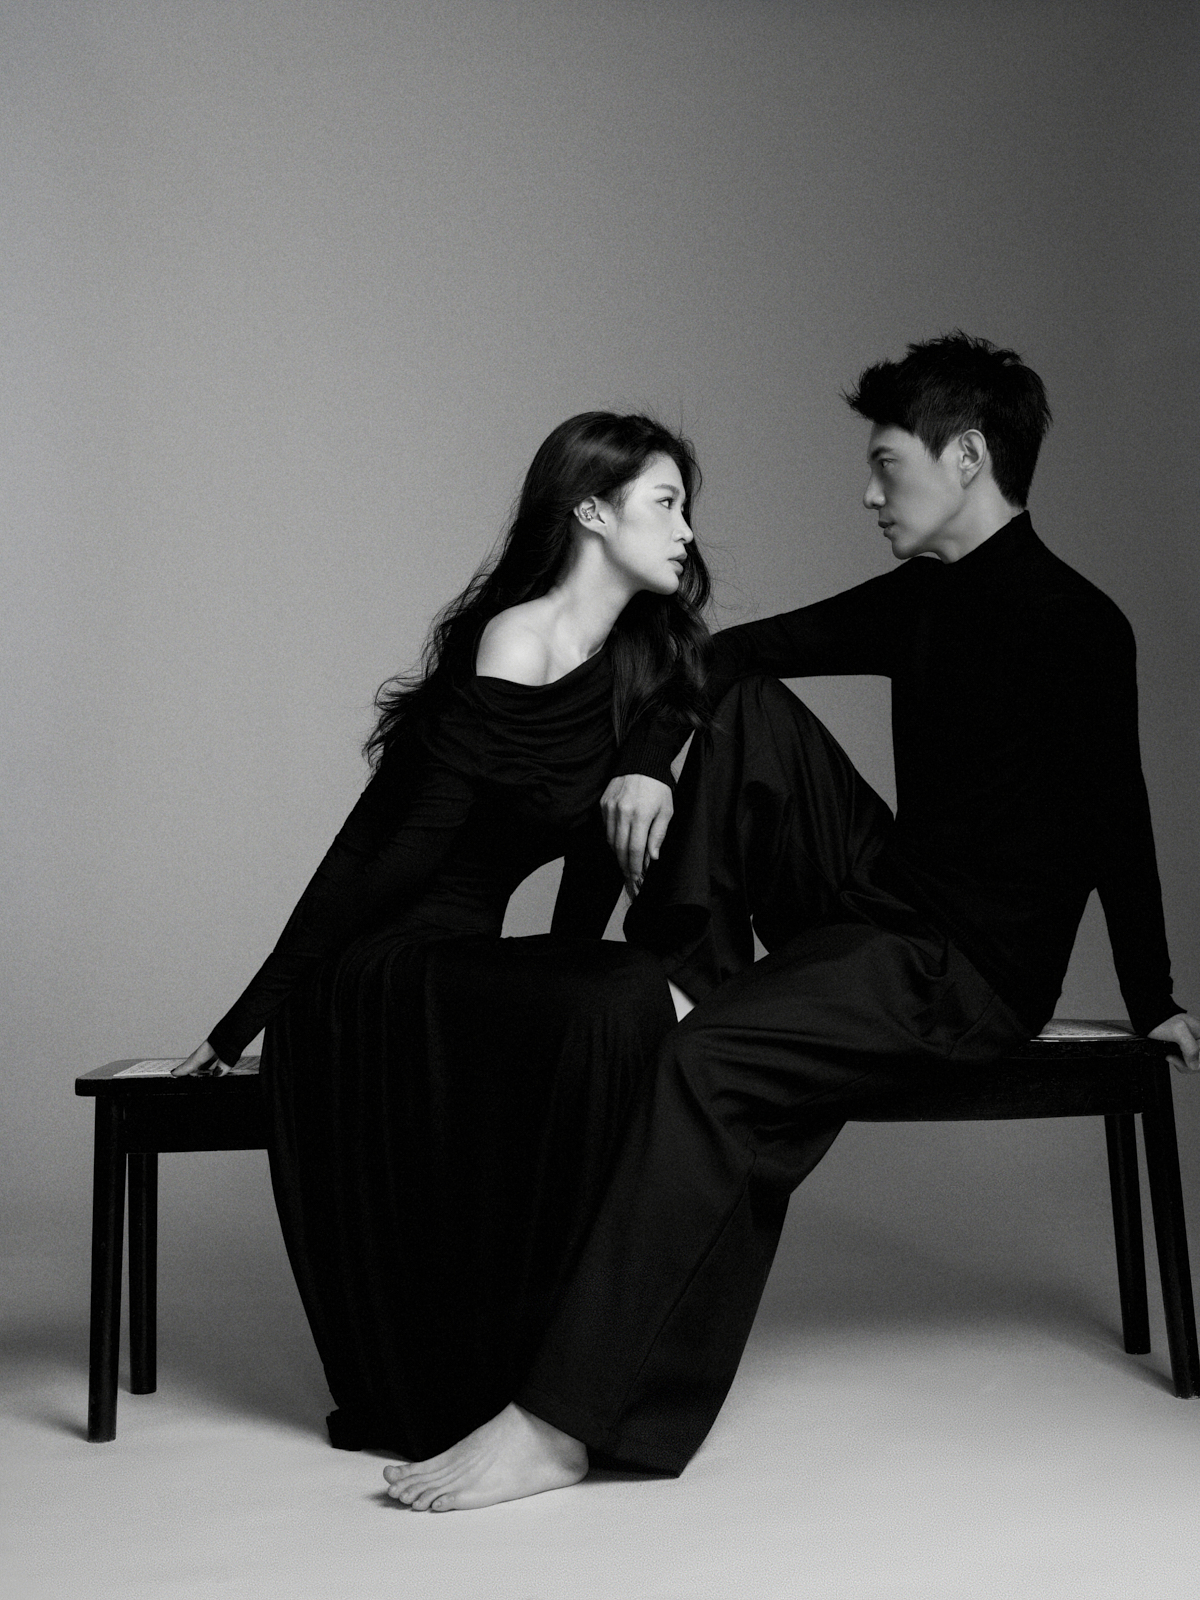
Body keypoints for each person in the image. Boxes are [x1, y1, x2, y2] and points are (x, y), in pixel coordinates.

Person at [383, 333, 1200, 1511]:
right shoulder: (923, 599)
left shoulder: (1079, 625)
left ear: (968, 457)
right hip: (889, 902)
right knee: (748, 707)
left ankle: (562, 1424)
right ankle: (688, 972)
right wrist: (649, 762)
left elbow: (1118, 821)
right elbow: (729, 658)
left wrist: (1155, 996)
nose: (868, 493)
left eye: (887, 463)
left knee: (707, 1064)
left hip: (966, 972)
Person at [174, 411, 714, 1458]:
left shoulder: (635, 667)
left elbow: (590, 877)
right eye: (666, 503)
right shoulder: (516, 642)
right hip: (386, 965)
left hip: (470, 965)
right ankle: (518, 1378)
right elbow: (386, 855)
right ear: (592, 512)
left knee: (625, 995)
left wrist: (587, 969)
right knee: (620, 995)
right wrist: (246, 1020)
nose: (688, 531)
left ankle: (575, 1364)